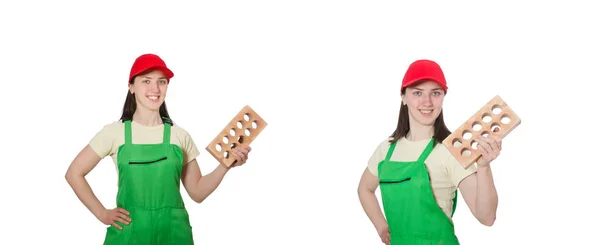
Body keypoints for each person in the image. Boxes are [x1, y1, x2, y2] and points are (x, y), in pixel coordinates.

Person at [65, 53, 252, 245]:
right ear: (131, 87)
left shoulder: (179, 136)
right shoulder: (114, 133)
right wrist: (102, 213)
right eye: (146, 81)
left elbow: (197, 192)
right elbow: (74, 173)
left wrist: (225, 165)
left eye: (161, 82)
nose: (154, 88)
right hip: (129, 234)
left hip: (173, 234)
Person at [357, 59, 502, 245]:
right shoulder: (386, 150)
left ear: (443, 97)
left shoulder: (451, 151)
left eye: (435, 93)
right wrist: (381, 227)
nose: (427, 102)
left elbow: (487, 217)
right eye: (418, 93)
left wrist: (483, 167)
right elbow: (365, 189)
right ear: (403, 97)